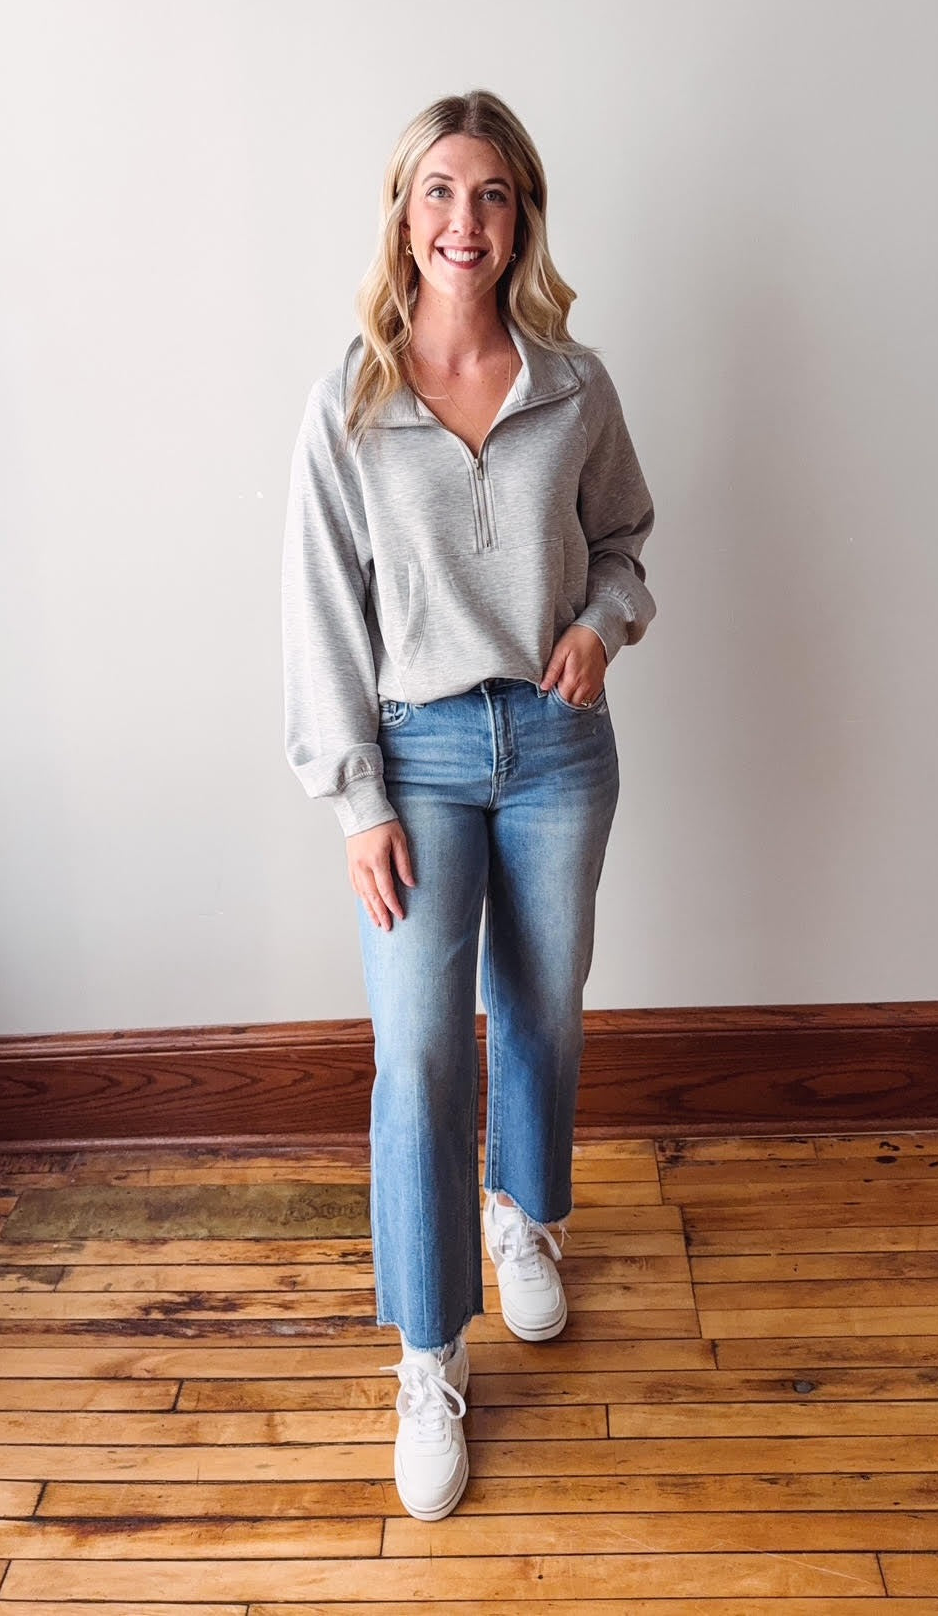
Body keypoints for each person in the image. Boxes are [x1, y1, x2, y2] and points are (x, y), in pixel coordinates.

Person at [282, 90, 655, 1521]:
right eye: (439, 191)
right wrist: (355, 800)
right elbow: (321, 613)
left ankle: (523, 1218)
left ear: (521, 219)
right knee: (421, 1050)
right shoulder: (351, 401)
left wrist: (601, 627)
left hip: (557, 745)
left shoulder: (575, 386)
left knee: (544, 1007)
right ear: (403, 217)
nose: (464, 220)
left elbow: (623, 541)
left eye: (491, 193)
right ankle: (429, 1357)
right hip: (415, 754)